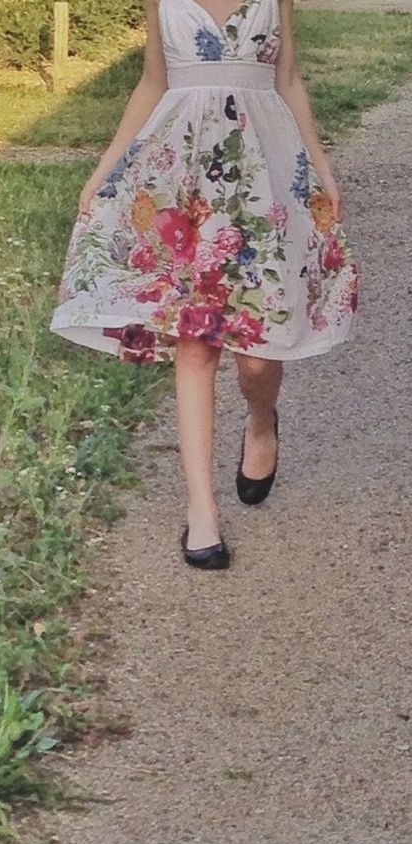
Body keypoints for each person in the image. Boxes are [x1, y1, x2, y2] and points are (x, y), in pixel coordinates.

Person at [50, 0, 358, 570]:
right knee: (195, 342)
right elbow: (151, 83)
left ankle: (262, 423)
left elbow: (288, 79)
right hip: (182, 176)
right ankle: (202, 512)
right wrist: (104, 169)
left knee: (258, 354)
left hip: (265, 173)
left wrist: (322, 168)